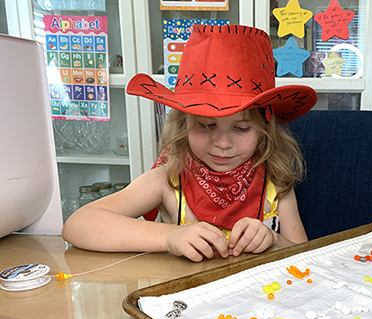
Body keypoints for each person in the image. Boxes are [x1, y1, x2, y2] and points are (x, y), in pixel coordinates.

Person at [62, 25, 318, 262]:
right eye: (206, 126)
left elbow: (306, 255)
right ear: (184, 124)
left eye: (241, 128)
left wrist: (273, 240)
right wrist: (168, 237)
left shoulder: (276, 183)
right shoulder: (167, 179)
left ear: (265, 131)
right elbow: (78, 225)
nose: (222, 143)